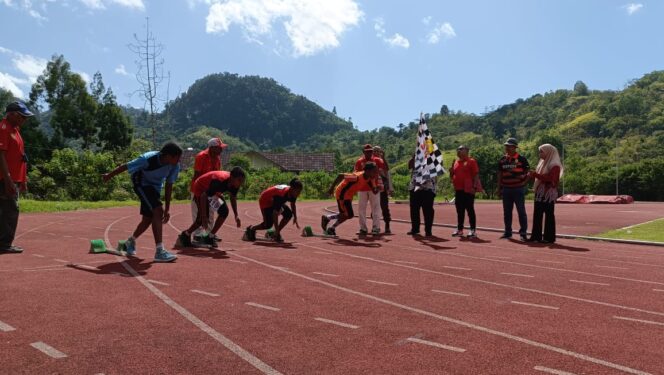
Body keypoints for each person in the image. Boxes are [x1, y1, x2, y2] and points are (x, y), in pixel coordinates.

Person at [103, 142, 183, 262]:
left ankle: (130, 242)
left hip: (155, 187)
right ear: (168, 156)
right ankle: (159, 251)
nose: (179, 160)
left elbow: (169, 185)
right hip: (141, 183)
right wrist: (109, 175)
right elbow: (126, 166)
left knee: (148, 218)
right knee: (157, 210)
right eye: (177, 157)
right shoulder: (147, 159)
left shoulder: (175, 166)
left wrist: (167, 209)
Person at [178, 167, 245, 247]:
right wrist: (204, 216)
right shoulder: (219, 180)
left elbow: (233, 197)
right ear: (232, 177)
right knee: (201, 219)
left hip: (213, 193)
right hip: (201, 189)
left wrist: (236, 215)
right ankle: (185, 235)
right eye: (239, 180)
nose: (241, 183)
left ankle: (210, 236)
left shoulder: (235, 185)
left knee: (224, 211)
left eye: (242, 181)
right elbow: (203, 196)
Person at [0, 101, 33, 253]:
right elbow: (1, 155)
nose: (24, 119)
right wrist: (7, 181)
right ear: (11, 114)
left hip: (14, 178)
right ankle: (5, 244)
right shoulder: (4, 128)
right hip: (5, 179)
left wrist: (23, 180)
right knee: (11, 210)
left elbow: (21, 157)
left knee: (8, 209)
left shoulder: (15, 130)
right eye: (22, 116)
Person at [321, 162, 380, 236]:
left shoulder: (370, 178)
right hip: (342, 194)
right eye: (374, 171)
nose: (375, 173)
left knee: (348, 215)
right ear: (367, 171)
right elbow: (340, 176)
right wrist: (331, 188)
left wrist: (378, 188)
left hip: (349, 195)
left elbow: (374, 191)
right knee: (347, 214)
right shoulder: (356, 177)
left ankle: (330, 224)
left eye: (376, 171)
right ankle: (328, 220)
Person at [190, 138, 227, 242]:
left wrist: (217, 192)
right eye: (220, 148)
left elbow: (217, 176)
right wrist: (199, 193)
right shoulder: (201, 157)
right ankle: (197, 235)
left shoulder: (217, 158)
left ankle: (209, 234)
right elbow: (196, 176)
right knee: (199, 212)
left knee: (211, 212)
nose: (221, 150)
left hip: (211, 190)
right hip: (198, 189)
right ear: (212, 148)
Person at [244, 178, 303, 243]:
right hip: (265, 200)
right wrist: (277, 231)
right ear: (292, 189)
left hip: (273, 200)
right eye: (298, 191)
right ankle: (251, 229)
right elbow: (275, 214)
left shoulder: (293, 193)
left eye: (300, 191)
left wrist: (295, 217)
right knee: (268, 225)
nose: (299, 194)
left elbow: (292, 203)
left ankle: (275, 233)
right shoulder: (281, 195)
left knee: (288, 214)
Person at [527, 144, 563, 244]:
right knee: (537, 214)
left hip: (548, 194)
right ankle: (536, 237)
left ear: (548, 152)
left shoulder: (554, 165)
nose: (540, 154)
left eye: (541, 151)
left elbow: (551, 179)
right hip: (540, 192)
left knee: (549, 215)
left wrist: (535, 174)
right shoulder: (543, 163)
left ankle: (549, 237)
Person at [497, 138, 530, 241]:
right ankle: (508, 232)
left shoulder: (522, 159)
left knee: (521, 211)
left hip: (518, 189)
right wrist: (499, 188)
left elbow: (528, 172)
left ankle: (523, 233)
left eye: (509, 146)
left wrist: (524, 182)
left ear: (515, 147)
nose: (507, 147)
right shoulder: (502, 159)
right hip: (506, 189)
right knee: (507, 212)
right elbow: (499, 174)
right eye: (506, 146)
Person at [450, 145, 482, 238]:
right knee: (459, 211)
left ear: (467, 151)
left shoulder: (471, 161)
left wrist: (474, 187)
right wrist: (451, 172)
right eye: (458, 149)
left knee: (470, 210)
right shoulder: (455, 162)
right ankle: (460, 230)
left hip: (468, 190)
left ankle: (473, 230)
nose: (458, 150)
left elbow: (476, 175)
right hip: (458, 190)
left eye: (461, 149)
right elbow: (452, 177)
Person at [354, 144, 385, 235]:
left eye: (371, 151)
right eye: (367, 151)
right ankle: (363, 228)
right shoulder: (359, 162)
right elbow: (356, 173)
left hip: (374, 188)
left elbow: (384, 170)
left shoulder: (377, 160)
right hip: (362, 188)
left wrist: (383, 184)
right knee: (361, 209)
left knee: (376, 208)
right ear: (363, 152)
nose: (369, 153)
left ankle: (376, 228)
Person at [407, 156, 437, 237]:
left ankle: (428, 230)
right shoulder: (416, 158)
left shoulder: (432, 159)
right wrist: (414, 156)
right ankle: (415, 229)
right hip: (414, 188)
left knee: (428, 211)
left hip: (428, 189)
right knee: (414, 210)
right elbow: (409, 166)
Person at [372, 146, 393, 234]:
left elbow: (387, 171)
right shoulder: (371, 161)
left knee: (384, 206)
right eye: (375, 151)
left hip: (382, 186)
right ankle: (376, 226)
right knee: (374, 207)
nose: (377, 153)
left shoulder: (382, 162)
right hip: (373, 186)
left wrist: (389, 188)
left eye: (378, 151)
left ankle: (387, 225)